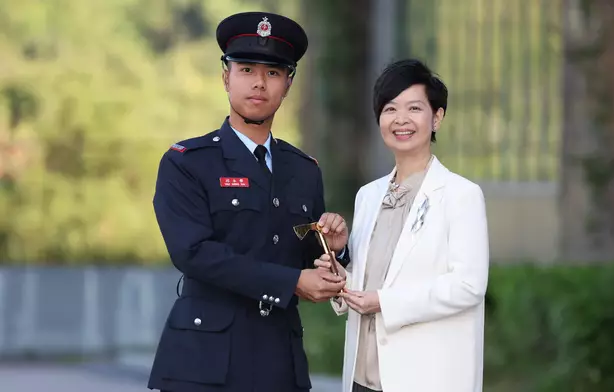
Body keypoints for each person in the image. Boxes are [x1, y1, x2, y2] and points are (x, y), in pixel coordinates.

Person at [147, 11, 349, 392]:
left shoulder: (304, 170)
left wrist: (335, 250)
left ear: (288, 83)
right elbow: (194, 253)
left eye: (273, 73)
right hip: (205, 363)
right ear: (226, 77)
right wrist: (292, 282)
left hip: (280, 362)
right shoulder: (187, 162)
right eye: (246, 70)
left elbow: (306, 261)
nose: (259, 83)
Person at [315, 59, 490, 392]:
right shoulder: (368, 196)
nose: (401, 119)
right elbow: (376, 282)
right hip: (361, 377)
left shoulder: (460, 195)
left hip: (426, 377)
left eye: (414, 108)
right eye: (390, 108)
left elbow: (468, 285)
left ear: (437, 117)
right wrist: (341, 279)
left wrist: (384, 302)